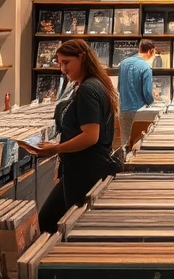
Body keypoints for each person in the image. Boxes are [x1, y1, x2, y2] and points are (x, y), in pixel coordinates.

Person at [36, 39, 119, 234]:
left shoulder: (88, 89)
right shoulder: (94, 84)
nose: (62, 70)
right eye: (59, 63)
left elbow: (91, 136)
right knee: (50, 219)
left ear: (81, 58)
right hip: (81, 169)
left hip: (84, 172)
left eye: (66, 63)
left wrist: (55, 148)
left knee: (61, 225)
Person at [118, 40, 156, 150]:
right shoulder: (146, 67)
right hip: (140, 111)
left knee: (125, 143)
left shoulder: (123, 63)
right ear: (151, 51)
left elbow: (119, 87)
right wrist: (152, 102)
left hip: (124, 109)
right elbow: (147, 93)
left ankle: (123, 165)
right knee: (139, 144)